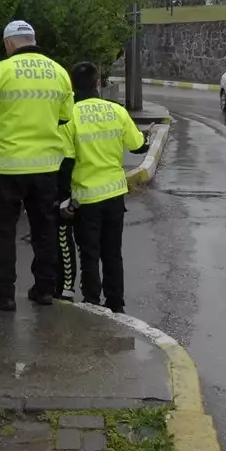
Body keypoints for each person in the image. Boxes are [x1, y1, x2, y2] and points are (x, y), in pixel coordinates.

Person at [0, 20, 75, 310]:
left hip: (7, 167)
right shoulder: (59, 72)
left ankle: (3, 294)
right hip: (46, 167)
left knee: (4, 232)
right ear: (32, 39)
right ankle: (44, 290)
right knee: (44, 229)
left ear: (8, 44)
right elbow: (65, 118)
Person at [59, 62, 150, 314]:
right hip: (114, 196)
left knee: (89, 253)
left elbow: (66, 163)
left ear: (73, 86)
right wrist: (147, 137)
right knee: (112, 253)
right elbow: (137, 145)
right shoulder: (116, 111)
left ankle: (92, 303)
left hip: (85, 198)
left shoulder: (69, 118)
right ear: (98, 82)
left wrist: (64, 198)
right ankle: (116, 304)